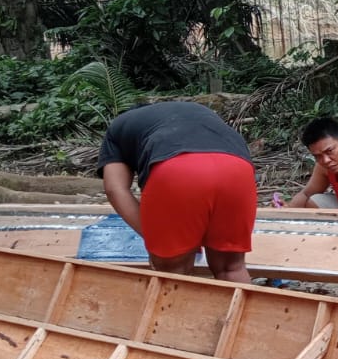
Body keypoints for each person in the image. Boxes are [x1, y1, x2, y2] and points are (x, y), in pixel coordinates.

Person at [98, 101, 256, 283]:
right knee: (231, 268)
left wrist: (156, 235)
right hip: (237, 169)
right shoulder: (197, 110)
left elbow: (115, 188)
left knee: (173, 271)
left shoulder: (119, 125)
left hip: (177, 169)